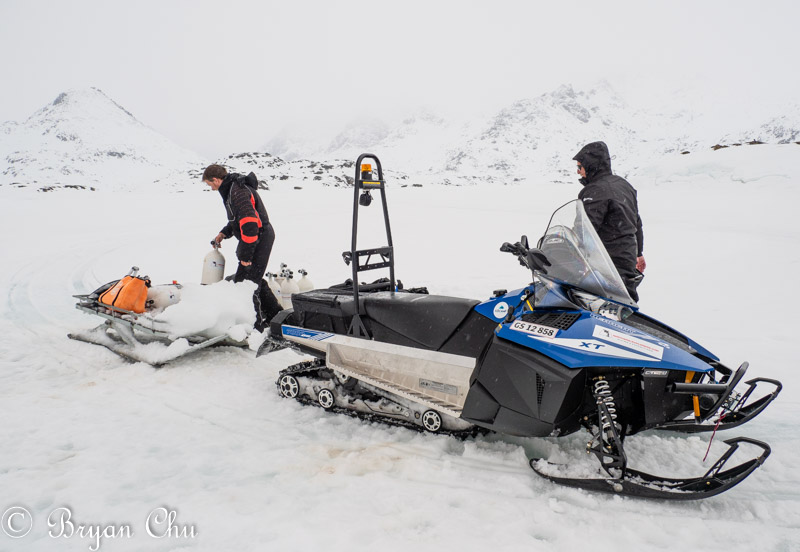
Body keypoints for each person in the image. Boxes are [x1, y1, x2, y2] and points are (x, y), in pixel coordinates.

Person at [202, 164, 281, 331]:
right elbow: (238, 219)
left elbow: (250, 224)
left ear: (215, 180)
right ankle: (276, 316)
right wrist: (224, 233)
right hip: (256, 237)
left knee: (247, 285)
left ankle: (255, 329)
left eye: (210, 185)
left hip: (259, 237)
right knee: (251, 279)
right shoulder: (232, 189)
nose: (212, 189)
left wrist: (246, 256)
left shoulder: (237, 191)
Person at [572, 141, 645, 302]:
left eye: (580, 167)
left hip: (606, 262)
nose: (578, 172)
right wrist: (638, 253)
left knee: (598, 305)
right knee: (622, 302)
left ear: (590, 165)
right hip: (626, 259)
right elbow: (636, 222)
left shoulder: (596, 191)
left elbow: (584, 229)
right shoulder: (623, 185)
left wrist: (566, 251)